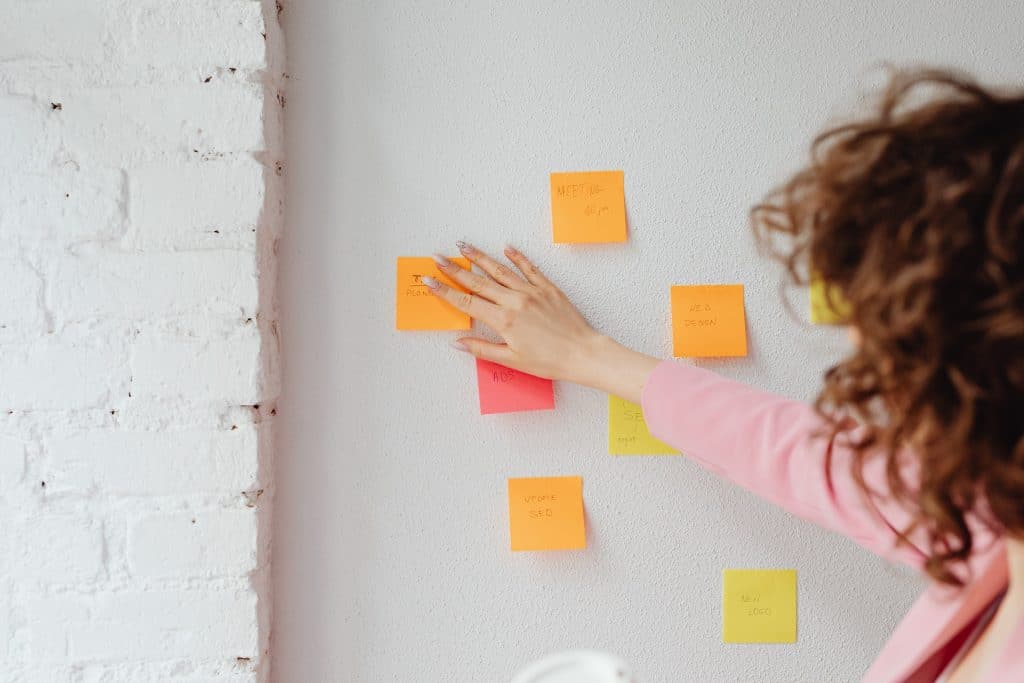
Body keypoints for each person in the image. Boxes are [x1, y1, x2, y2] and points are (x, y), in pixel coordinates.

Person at [420, 69, 1024, 682]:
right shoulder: (987, 514)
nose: (869, 386)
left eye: (893, 360)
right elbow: (803, 454)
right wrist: (586, 355)